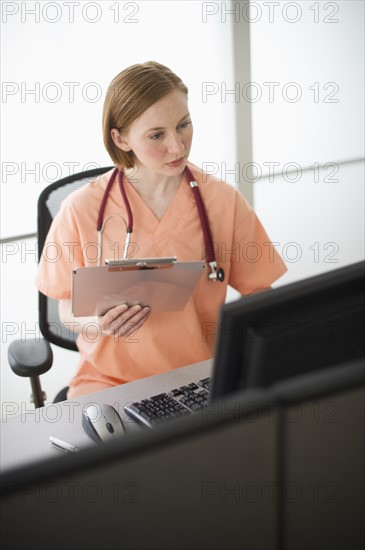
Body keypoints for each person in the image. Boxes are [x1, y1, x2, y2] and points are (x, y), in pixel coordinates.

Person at [35, 61, 287, 399]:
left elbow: (261, 295)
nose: (178, 147)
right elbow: (65, 307)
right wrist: (97, 324)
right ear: (121, 138)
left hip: (201, 380)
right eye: (156, 135)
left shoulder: (223, 201)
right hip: (109, 383)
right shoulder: (80, 209)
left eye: (183, 125)